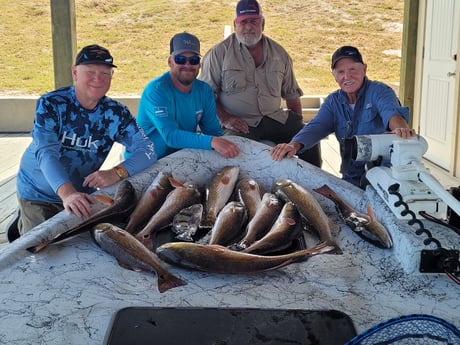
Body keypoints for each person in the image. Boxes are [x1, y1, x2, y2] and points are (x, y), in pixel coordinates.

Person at [9, 44, 157, 241]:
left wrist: (117, 172)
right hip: (40, 194)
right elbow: (46, 152)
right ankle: (21, 224)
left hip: (83, 194)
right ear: (75, 73)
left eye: (105, 73)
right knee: (40, 249)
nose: (98, 78)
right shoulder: (51, 104)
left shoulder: (116, 113)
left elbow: (147, 149)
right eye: (91, 72)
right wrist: (67, 193)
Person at [270, 45, 416, 187]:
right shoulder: (333, 101)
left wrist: (400, 130)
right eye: (340, 72)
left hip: (385, 178)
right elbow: (316, 127)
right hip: (351, 178)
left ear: (364, 69)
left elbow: (392, 113)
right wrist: (293, 145)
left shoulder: (380, 91)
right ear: (334, 76)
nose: (347, 76)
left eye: (353, 69)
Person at [200, 0, 322, 167]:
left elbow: (292, 94)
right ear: (235, 24)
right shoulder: (219, 54)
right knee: (233, 156)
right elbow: (205, 95)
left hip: (275, 118)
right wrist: (226, 118)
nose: (248, 27)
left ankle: (318, 187)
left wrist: (297, 123)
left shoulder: (280, 54)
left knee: (309, 138)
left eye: (254, 21)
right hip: (240, 124)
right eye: (243, 22)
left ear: (262, 24)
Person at [135, 32, 240, 160]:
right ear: (170, 61)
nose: (188, 65)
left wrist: (220, 143)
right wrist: (212, 142)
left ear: (199, 64)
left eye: (194, 60)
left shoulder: (204, 90)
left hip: (181, 158)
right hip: (146, 161)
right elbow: (170, 136)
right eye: (180, 59)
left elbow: (213, 131)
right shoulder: (156, 90)